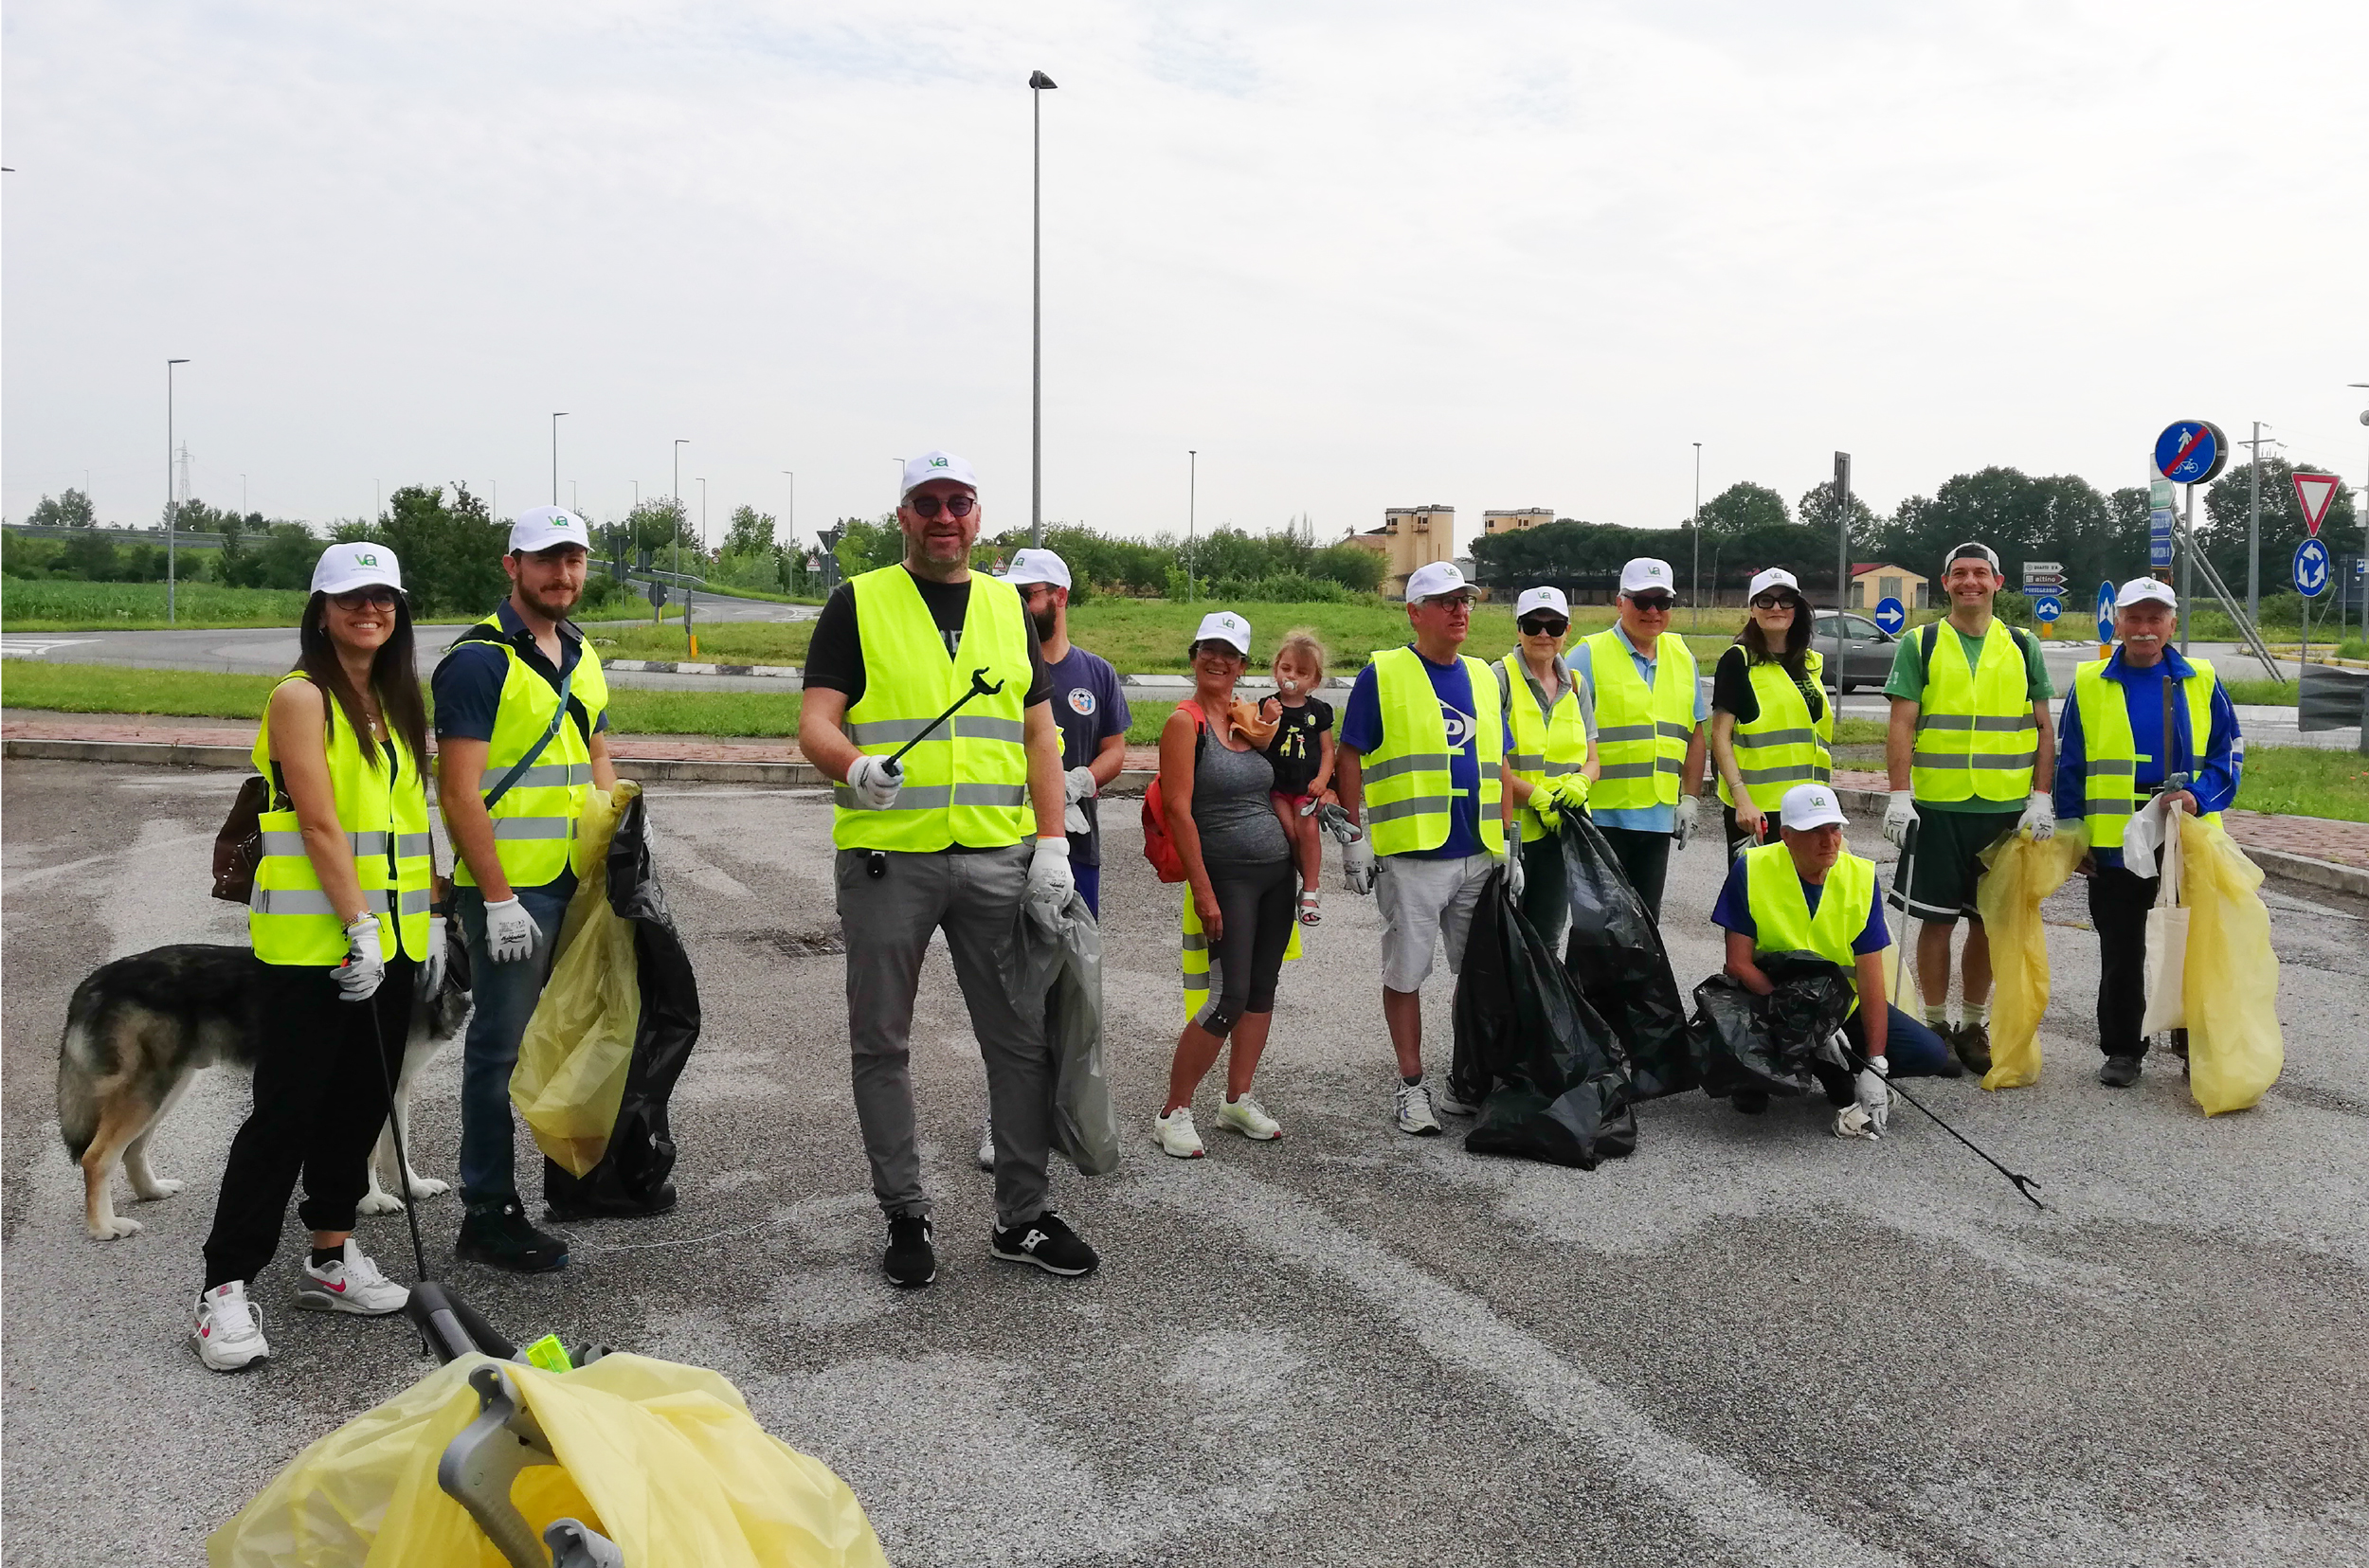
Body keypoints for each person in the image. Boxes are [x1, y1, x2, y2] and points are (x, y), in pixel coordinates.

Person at [797, 450, 1096, 1288]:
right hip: (890, 860)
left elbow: (1041, 735)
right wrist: (853, 765)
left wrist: (1052, 842)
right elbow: (815, 722)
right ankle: (906, 1215)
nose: (944, 516)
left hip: (998, 857)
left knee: (1020, 1043)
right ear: (903, 516)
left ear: (977, 514)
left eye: (958, 501)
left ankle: (1022, 1218)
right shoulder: (857, 602)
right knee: (881, 1043)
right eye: (926, 502)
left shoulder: (1008, 605)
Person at [194, 542, 440, 1371]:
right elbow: (322, 824)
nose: (369, 611)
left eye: (382, 598)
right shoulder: (300, 697)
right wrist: (358, 925)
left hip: (393, 942)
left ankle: (330, 1256)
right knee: (286, 1113)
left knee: (358, 1103)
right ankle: (224, 1287)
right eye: (350, 598)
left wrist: (415, 923)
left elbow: (402, 826)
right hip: (313, 946)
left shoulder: (399, 699)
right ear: (321, 608)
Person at [435, 507, 619, 1274]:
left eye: (574, 559)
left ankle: (570, 1177)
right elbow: (459, 791)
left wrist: (614, 851)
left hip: (577, 886)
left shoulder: (578, 650)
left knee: (576, 1035)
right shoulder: (478, 662)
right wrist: (499, 895)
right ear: (512, 565)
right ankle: (487, 1210)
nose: (563, 574)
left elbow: (597, 756)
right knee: (499, 1051)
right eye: (546, 560)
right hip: (514, 894)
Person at [1334, 561, 1516, 1136]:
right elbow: (1350, 755)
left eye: (1465, 600)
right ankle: (1411, 1086)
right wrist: (1354, 839)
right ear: (1415, 613)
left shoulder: (1486, 677)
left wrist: (1509, 841)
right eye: (1445, 602)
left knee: (1479, 976)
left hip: (1478, 853)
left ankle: (1468, 1080)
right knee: (1407, 973)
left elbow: (1501, 761)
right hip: (1413, 855)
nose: (1460, 611)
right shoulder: (1383, 675)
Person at [2053, 579, 2242, 1088]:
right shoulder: (2090, 682)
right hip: (2113, 839)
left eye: (2155, 619)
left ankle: (2191, 1044)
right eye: (2133, 618)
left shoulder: (2201, 679)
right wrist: (2072, 833)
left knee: (2189, 944)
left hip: (2185, 835)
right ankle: (2122, 1049)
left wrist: (2199, 795)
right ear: (2117, 623)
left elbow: (2229, 753)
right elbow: (2068, 764)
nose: (2143, 629)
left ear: (2172, 624)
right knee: (2121, 948)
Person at [977, 547, 1129, 1171]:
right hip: (1006, 852)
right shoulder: (998, 667)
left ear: (1058, 597)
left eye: (1028, 593)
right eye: (1011, 592)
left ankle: (1066, 1113)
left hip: (1075, 855)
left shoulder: (1095, 674)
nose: (1016, 603)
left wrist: (1086, 779)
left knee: (1070, 993)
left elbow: (1118, 747)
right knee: (1012, 994)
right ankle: (1004, 1118)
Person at [1881, 542, 2055, 1076]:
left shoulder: (2024, 646)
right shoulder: (1922, 642)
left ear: (1998, 583)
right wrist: (1897, 795)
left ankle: (1972, 1024)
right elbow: (1902, 725)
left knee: (1986, 925)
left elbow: (2045, 727)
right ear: (1946, 582)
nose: (1970, 582)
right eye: (1960, 573)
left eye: (1981, 573)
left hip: (2004, 810)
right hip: (1937, 806)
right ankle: (1934, 1023)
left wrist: (2041, 797)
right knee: (1935, 922)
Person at [1711, 784, 1959, 1130]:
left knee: (1929, 1053)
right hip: (1769, 1002)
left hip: (1841, 1003)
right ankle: (1757, 1076)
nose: (1829, 841)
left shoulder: (1860, 877)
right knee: (1744, 1070)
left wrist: (1875, 1064)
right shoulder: (1751, 869)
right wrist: (1810, 1024)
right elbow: (1737, 964)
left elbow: (1872, 978)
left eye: (1835, 829)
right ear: (1786, 836)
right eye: (1815, 832)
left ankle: (1834, 1068)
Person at [1152, 611, 1298, 1157]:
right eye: (1208, 650)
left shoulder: (1246, 719)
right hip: (1227, 878)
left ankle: (1237, 1099)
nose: (1218, 660)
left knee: (1261, 990)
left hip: (1276, 876)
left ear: (1242, 665)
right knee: (1227, 996)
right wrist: (1205, 891)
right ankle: (1174, 1110)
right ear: (1194, 657)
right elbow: (1178, 810)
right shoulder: (1182, 723)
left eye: (1230, 654)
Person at [1567, 557, 1708, 922]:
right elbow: (1565, 732)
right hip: (1601, 819)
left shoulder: (1682, 656)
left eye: (1662, 602)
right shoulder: (1588, 654)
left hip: (1657, 819)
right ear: (1620, 602)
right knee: (1597, 929)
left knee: (1645, 927)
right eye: (1641, 601)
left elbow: (1694, 734)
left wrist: (1690, 798)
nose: (1653, 611)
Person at [1709, 568, 1835, 861]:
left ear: (1796, 609)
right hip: (1759, 812)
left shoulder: (1810, 663)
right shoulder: (1739, 660)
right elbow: (1720, 736)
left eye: (1785, 600)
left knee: (1806, 898)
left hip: (1810, 808)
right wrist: (1742, 801)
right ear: (1753, 609)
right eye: (1765, 600)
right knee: (1758, 898)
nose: (1776, 607)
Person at [1497, 585, 1598, 947]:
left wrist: (1581, 784)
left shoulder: (1577, 685)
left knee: (1548, 939)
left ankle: (1542, 1005)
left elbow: (1593, 760)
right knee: (1508, 939)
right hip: (1512, 834)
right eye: (1533, 625)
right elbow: (1491, 760)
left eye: (1554, 626)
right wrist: (1536, 796)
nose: (1543, 634)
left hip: (1562, 832)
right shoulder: (1500, 678)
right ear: (1518, 628)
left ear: (1567, 631)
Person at [1258, 627, 1337, 926]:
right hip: (1278, 786)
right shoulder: (1269, 703)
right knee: (1289, 832)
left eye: (1302, 672)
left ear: (1314, 681)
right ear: (1276, 669)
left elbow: (1329, 751)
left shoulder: (1319, 711)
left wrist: (1323, 780)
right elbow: (1258, 739)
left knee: (1307, 830)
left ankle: (1311, 891)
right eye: (1286, 668)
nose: (1292, 675)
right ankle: (1306, 880)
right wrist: (1266, 718)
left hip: (1306, 787)